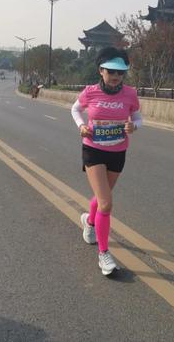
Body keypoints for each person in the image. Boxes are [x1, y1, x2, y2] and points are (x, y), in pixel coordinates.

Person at [71, 47, 142, 276]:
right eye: (111, 71)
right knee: (106, 204)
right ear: (101, 70)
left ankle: (90, 222)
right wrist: (81, 125)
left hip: (118, 151)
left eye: (121, 72)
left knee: (103, 198)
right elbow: (75, 109)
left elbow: (138, 117)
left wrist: (134, 126)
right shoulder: (90, 92)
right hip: (94, 150)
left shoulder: (130, 94)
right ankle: (104, 254)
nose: (116, 76)